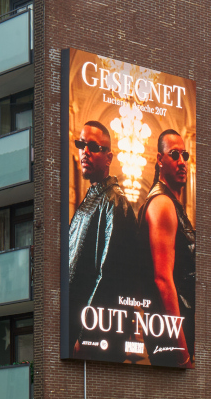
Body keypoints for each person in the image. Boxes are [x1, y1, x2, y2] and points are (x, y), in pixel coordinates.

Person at [67, 121, 131, 356]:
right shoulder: (92, 197)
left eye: (93, 146)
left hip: (90, 335)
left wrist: (86, 336)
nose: (84, 151)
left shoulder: (114, 201)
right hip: (74, 327)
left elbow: (110, 276)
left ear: (109, 157)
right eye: (81, 144)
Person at [136, 129, 195, 367]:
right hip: (175, 336)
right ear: (159, 160)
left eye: (185, 155)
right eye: (174, 155)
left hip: (176, 329)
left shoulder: (170, 203)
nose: (181, 162)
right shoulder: (162, 204)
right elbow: (162, 279)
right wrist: (183, 354)